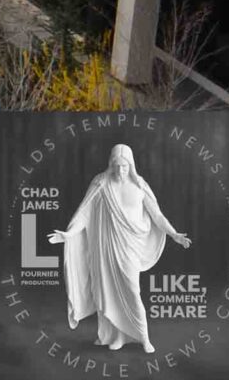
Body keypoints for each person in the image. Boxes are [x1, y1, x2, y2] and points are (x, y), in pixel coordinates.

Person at [51, 142, 193, 352]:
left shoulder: (140, 186)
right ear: (111, 164)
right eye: (116, 166)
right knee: (107, 290)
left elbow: (157, 215)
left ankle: (144, 337)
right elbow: (84, 212)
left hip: (130, 247)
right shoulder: (101, 183)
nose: (120, 170)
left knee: (132, 290)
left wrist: (174, 234)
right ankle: (116, 336)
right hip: (105, 247)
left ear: (131, 166)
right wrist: (69, 234)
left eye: (124, 166)